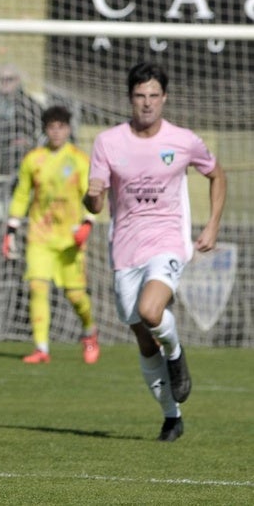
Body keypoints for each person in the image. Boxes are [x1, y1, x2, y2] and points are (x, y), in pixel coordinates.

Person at [84, 62, 227, 442]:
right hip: (125, 248)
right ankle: (171, 416)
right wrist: (93, 195)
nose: (146, 103)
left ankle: (177, 355)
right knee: (145, 338)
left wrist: (212, 224)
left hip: (168, 241)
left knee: (151, 311)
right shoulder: (108, 142)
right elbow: (94, 205)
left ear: (164, 98)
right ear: (130, 99)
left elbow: (217, 174)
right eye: (139, 96)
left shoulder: (183, 140)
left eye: (153, 96)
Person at [2, 106, 99, 364]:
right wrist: (11, 228)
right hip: (40, 235)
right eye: (52, 127)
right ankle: (42, 348)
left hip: (70, 238)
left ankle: (90, 332)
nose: (56, 132)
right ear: (45, 130)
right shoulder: (33, 159)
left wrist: (88, 224)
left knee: (76, 296)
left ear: (68, 129)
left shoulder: (78, 159)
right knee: (37, 287)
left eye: (61, 127)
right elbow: (22, 194)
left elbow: (93, 195)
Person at [0, 63, 42, 177]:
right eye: (1, 79)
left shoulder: (29, 105)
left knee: (18, 153)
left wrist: (29, 142)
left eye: (9, 79)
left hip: (15, 154)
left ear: (17, 80)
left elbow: (45, 129)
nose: (5, 82)